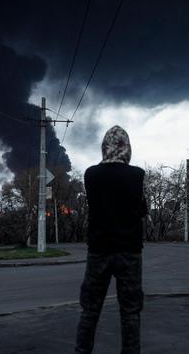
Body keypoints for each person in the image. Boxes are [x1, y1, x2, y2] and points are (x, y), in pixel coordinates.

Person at [75, 125, 148, 354]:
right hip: (129, 252)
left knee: (90, 309)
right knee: (130, 311)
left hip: (99, 250)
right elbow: (141, 210)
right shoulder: (136, 175)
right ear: (127, 148)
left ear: (104, 147)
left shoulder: (91, 174)